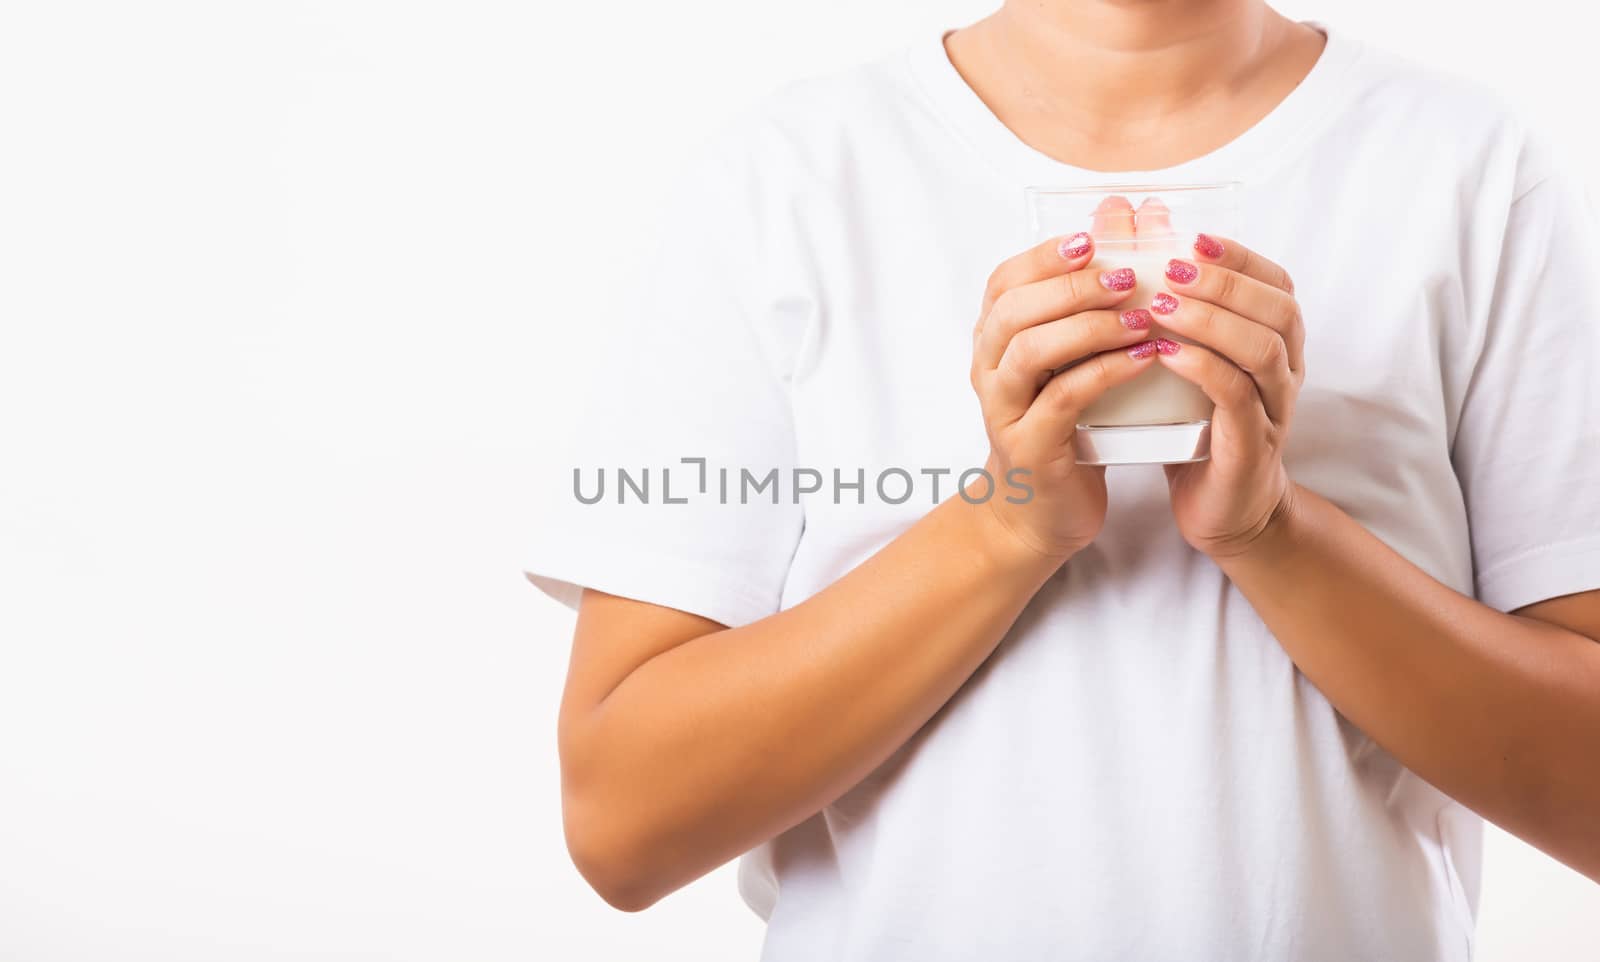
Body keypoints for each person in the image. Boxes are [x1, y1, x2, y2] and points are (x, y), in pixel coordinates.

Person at [525, 2, 1600, 958]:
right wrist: (1002, 528)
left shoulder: (1466, 167)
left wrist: (1272, 531)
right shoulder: (785, 180)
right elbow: (625, 821)